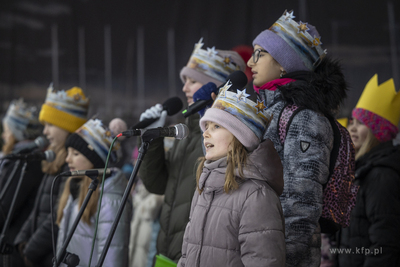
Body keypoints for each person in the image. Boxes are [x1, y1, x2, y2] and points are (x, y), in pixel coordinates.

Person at [247, 10, 348, 266]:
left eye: (260, 53)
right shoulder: (266, 111)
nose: (250, 63)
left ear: (284, 63)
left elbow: (301, 206)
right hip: (255, 250)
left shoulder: (305, 119)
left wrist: (281, 261)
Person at [138, 38, 246, 262]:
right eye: (184, 80)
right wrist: (153, 139)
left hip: (196, 255)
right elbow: (159, 184)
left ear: (213, 87)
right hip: (167, 253)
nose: (184, 88)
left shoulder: (228, 136)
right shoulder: (185, 130)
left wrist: (213, 118)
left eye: (193, 81)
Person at [178, 84, 285, 266]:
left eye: (216, 126)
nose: (205, 133)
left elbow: (264, 261)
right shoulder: (204, 187)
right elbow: (187, 254)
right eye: (206, 126)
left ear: (239, 136)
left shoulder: (256, 196)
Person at [14, 85, 89, 267]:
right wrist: (22, 238)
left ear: (67, 126)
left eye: (50, 124)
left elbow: (58, 214)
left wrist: (31, 250)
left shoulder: (71, 165)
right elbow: (38, 208)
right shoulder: (53, 159)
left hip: (51, 255)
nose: (45, 131)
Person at [338, 74, 400, 266]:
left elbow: (385, 244)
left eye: (362, 123)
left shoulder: (380, 175)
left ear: (377, 131)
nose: (353, 128)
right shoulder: (363, 171)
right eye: (353, 122)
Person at [56, 118, 132, 267]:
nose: (67, 159)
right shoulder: (75, 188)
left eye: (75, 154)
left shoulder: (109, 201)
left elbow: (112, 257)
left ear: (96, 161)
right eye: (68, 153)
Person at [0, 99, 43, 267]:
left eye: (7, 131)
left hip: (12, 249)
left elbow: (5, 209)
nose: (4, 136)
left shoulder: (24, 162)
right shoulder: (22, 159)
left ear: (17, 133)